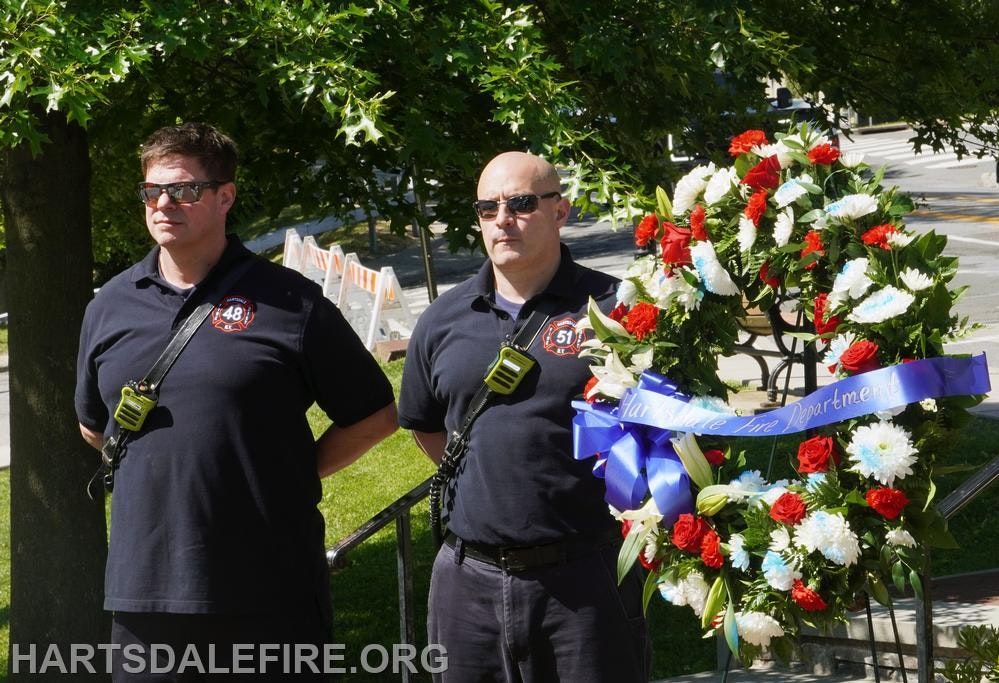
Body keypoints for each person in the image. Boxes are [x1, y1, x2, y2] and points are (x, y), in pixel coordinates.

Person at [75, 122, 397, 680]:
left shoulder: (289, 301)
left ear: (226, 196)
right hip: (145, 595)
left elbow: (375, 415)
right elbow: (92, 426)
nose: (163, 204)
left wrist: (289, 472)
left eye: (184, 190)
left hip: (269, 588)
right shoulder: (109, 307)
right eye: (151, 191)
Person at [399, 151, 649, 681]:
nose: (502, 219)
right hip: (467, 583)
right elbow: (426, 425)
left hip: (586, 579)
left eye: (520, 203)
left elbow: (661, 429)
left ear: (560, 211)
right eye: (488, 208)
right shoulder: (442, 319)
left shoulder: (614, 309)